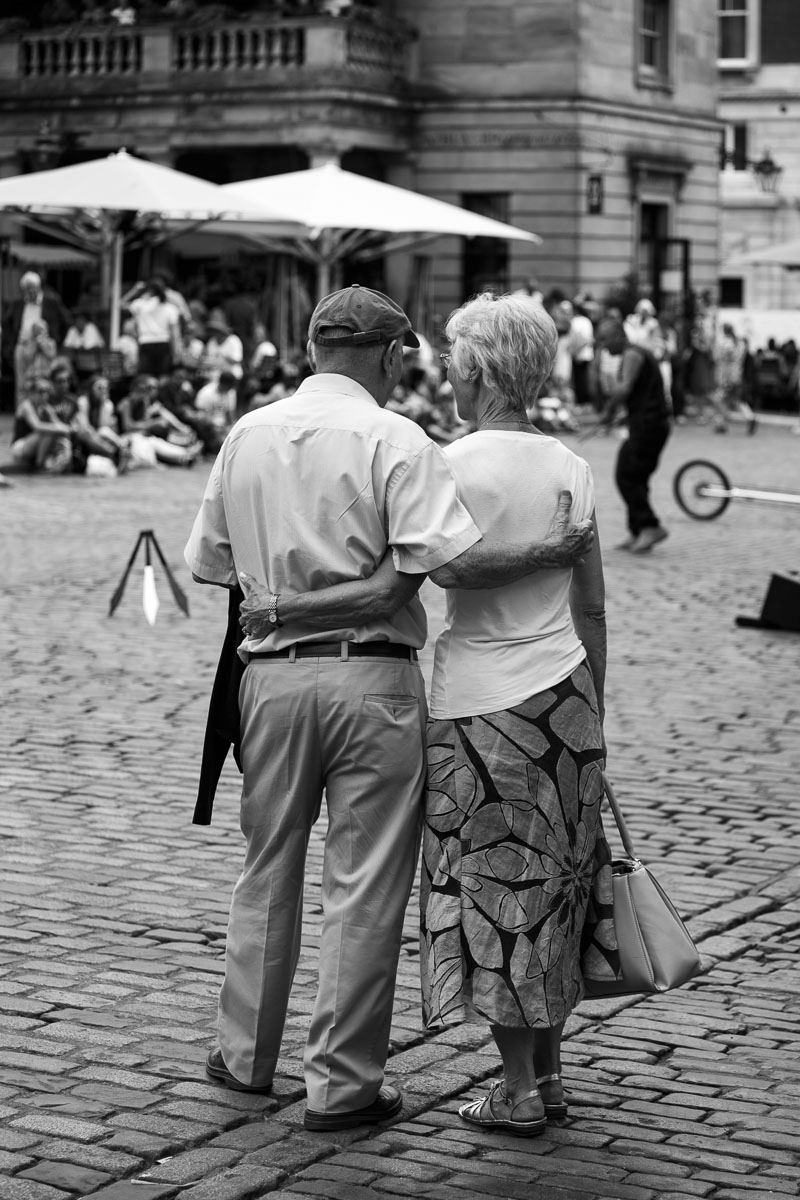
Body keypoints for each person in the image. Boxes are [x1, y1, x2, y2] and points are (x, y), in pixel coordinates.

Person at [184, 284, 595, 1133]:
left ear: (309, 349)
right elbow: (437, 565)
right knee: (364, 887)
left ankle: (244, 1057)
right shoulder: (398, 438)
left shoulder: (247, 432)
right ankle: (341, 1086)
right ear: (387, 354)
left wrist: (284, 595)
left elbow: (210, 563)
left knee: (265, 869)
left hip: (270, 682)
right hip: (375, 682)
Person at [594, 317, 672, 553]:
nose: (603, 346)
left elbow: (624, 388)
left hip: (650, 425)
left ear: (619, 335)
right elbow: (640, 394)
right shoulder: (635, 354)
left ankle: (649, 526)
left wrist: (608, 412)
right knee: (637, 477)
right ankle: (638, 529)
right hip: (648, 423)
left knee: (626, 474)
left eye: (605, 339)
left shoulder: (632, 354)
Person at [2, 271, 71, 409]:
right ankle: (22, 416)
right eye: (27, 288)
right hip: (24, 346)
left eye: (32, 287)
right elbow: (6, 323)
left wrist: (56, 340)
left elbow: (67, 321)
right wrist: (11, 344)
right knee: (23, 384)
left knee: (45, 381)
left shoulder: (51, 301)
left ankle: (43, 413)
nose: (30, 291)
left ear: (39, 287)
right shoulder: (18, 303)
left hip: (44, 346)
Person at [122, 277, 181, 378]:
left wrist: (135, 290)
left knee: (146, 378)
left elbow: (121, 304)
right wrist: (176, 352)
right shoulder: (170, 307)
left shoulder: (140, 305)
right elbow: (175, 334)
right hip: (164, 344)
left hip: (146, 343)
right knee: (164, 376)